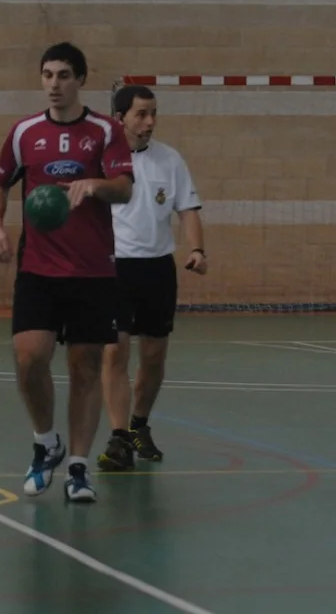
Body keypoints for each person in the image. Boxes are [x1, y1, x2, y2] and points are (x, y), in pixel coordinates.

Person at [0, 42, 134, 503]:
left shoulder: (106, 131)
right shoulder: (24, 132)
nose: (54, 84)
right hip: (39, 268)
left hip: (93, 270)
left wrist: (95, 185)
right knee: (29, 357)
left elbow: (125, 189)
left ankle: (78, 467)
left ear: (80, 79)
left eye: (64, 75)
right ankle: (46, 442)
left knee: (85, 367)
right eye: (47, 75)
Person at [96, 84, 207, 472]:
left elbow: (188, 209)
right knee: (115, 351)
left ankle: (139, 424)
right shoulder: (101, 159)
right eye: (141, 114)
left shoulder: (170, 160)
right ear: (120, 118)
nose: (149, 121)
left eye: (153, 113)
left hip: (157, 268)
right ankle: (118, 437)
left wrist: (197, 250)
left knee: (154, 355)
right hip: (114, 267)